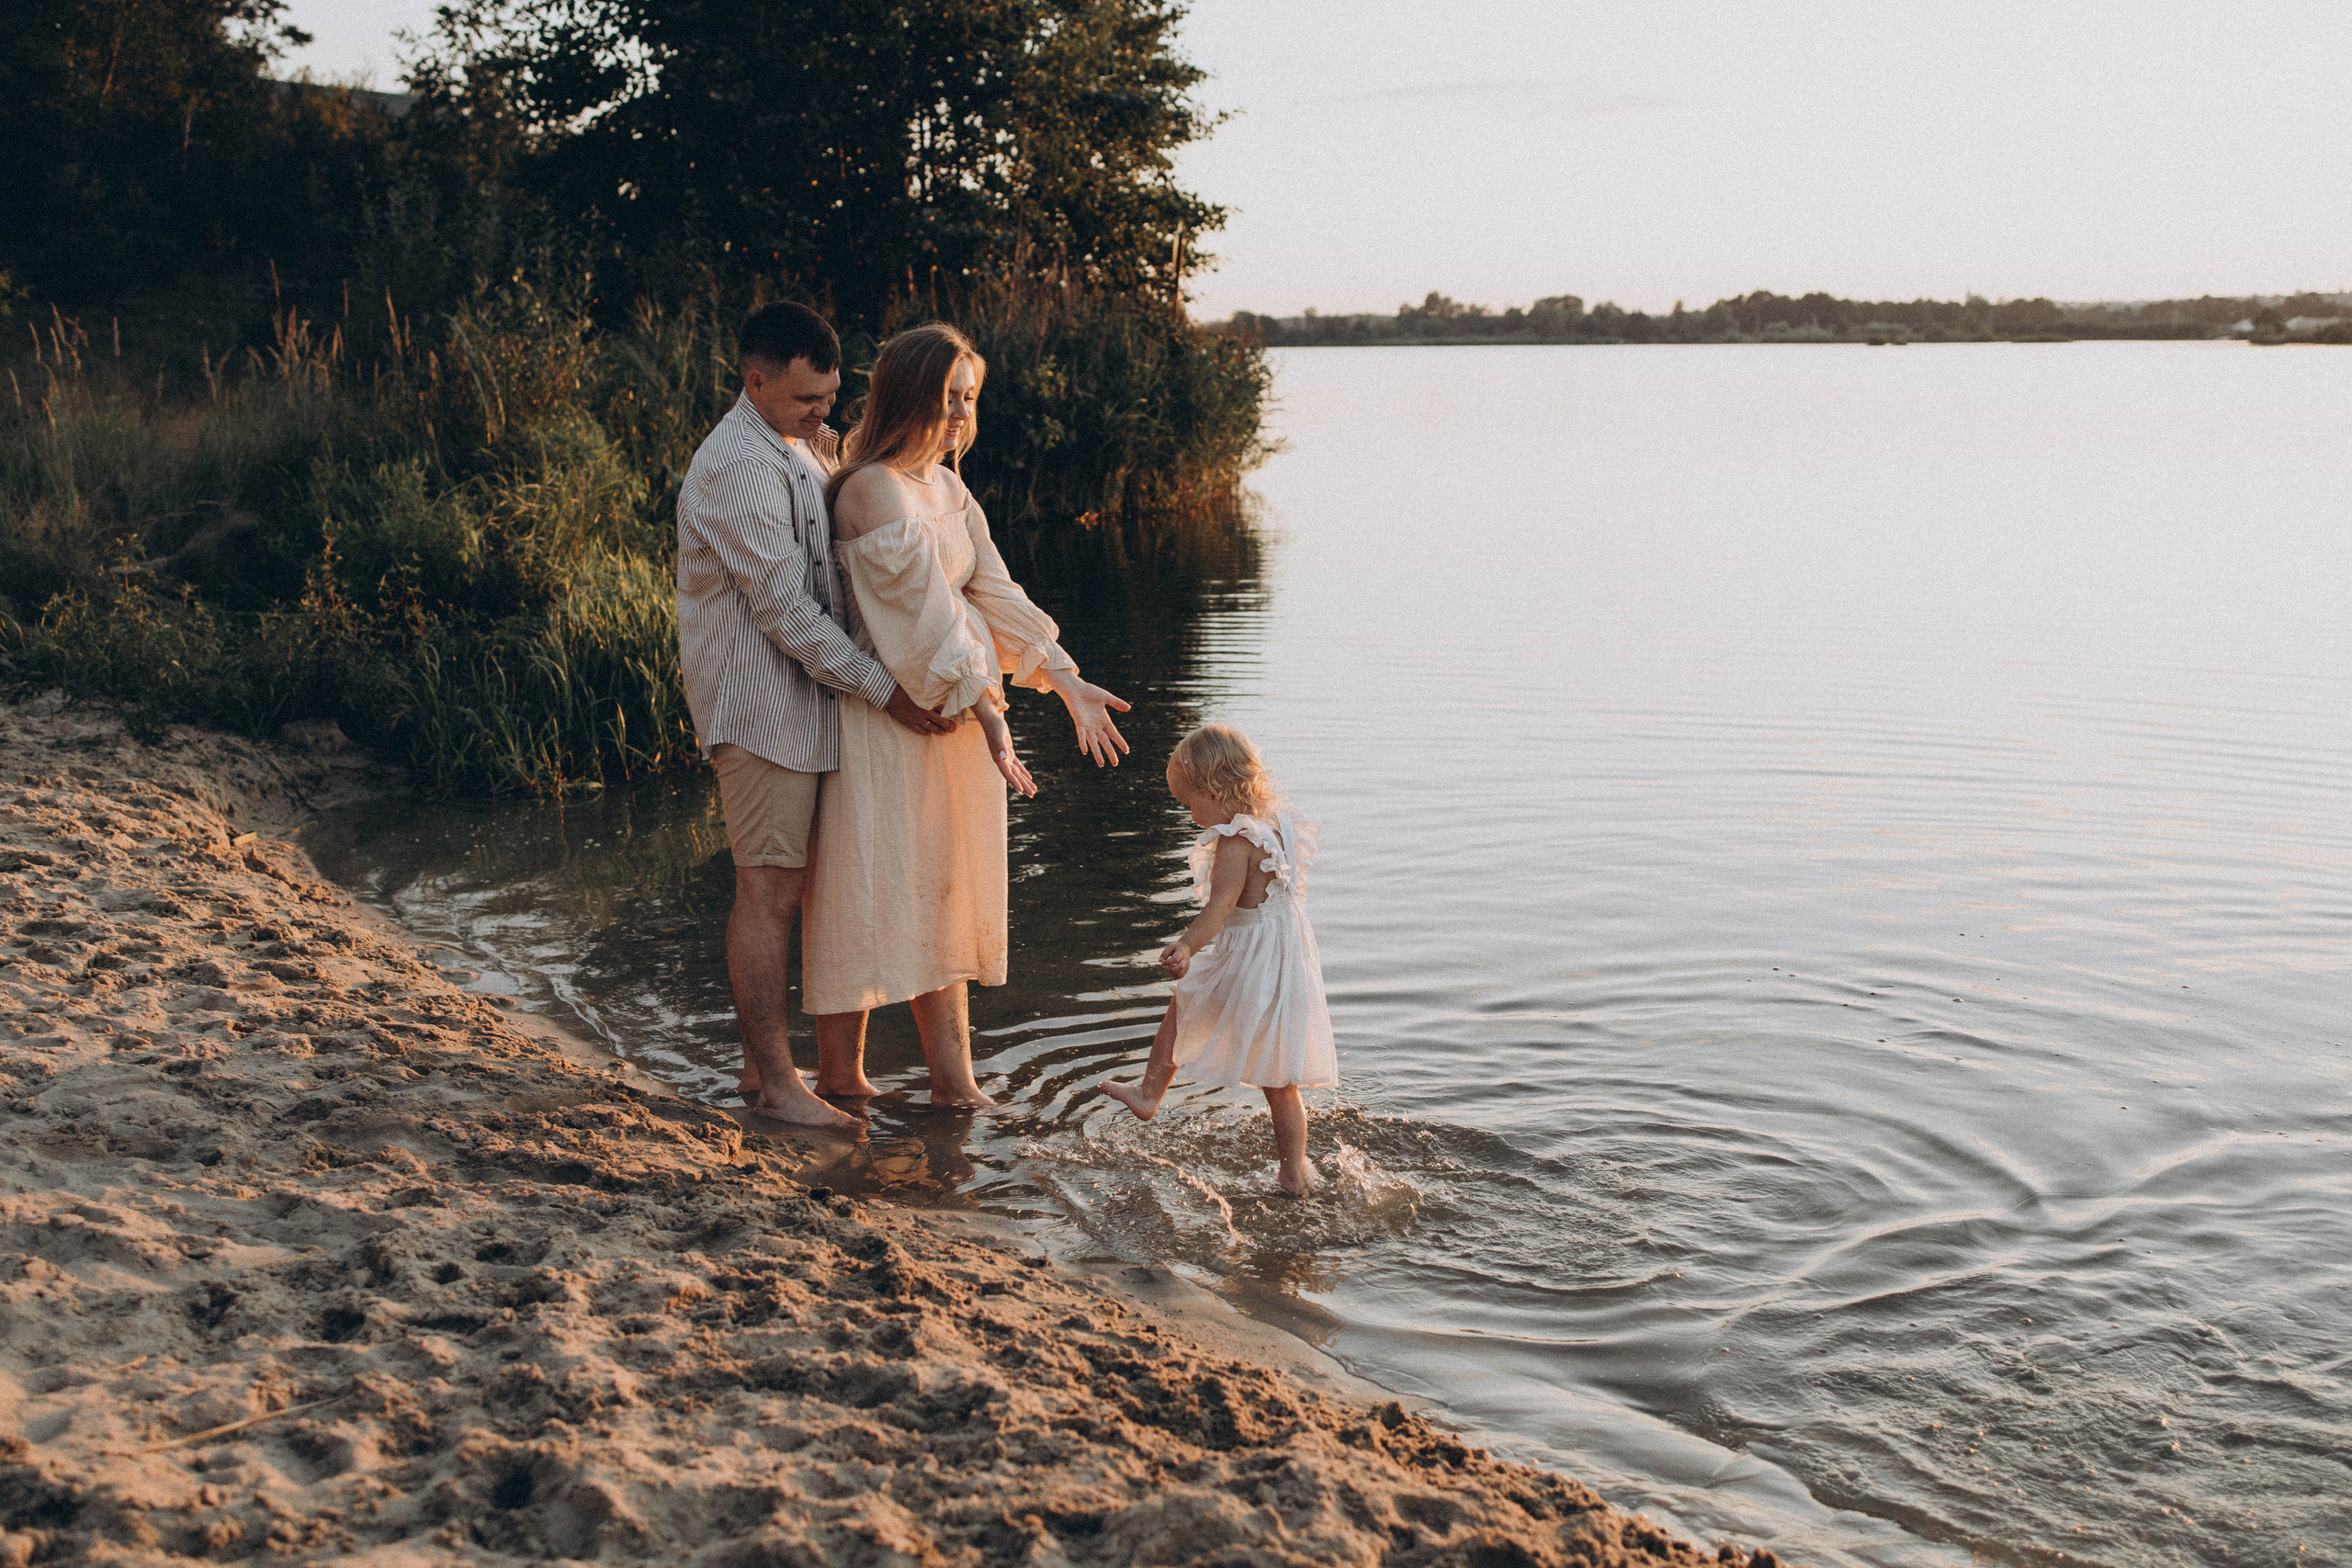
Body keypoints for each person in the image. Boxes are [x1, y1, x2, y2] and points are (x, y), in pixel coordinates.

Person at [802, 323, 1133, 1108]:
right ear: (907, 393)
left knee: (947, 887)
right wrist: (988, 710)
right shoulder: (872, 488)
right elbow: (926, 618)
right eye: (948, 396)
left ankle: (954, 1084)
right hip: (892, 718)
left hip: (954, 713)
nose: (960, 412)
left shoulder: (950, 490)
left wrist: (1064, 677)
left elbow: (993, 590)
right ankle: (841, 1077)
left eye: (970, 397)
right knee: (868, 881)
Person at [676, 301, 957, 1131]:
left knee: (796, 888)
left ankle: (774, 1069)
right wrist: (885, 689)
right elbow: (788, 613)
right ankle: (775, 1083)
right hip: (760, 707)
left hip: (810, 704)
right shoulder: (737, 466)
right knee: (768, 890)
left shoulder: (797, 443)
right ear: (755, 380)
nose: (823, 413)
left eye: (830, 396)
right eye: (806, 399)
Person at [1100, 723, 1337, 1197]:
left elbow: (1220, 907)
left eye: (1189, 804)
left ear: (1213, 791)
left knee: (1184, 1000)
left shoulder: (1235, 841)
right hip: (1288, 965)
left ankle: (1148, 1094)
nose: (1190, 816)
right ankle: (1293, 1174)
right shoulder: (1280, 826)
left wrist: (1188, 946)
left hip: (1250, 961)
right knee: (1281, 1084)